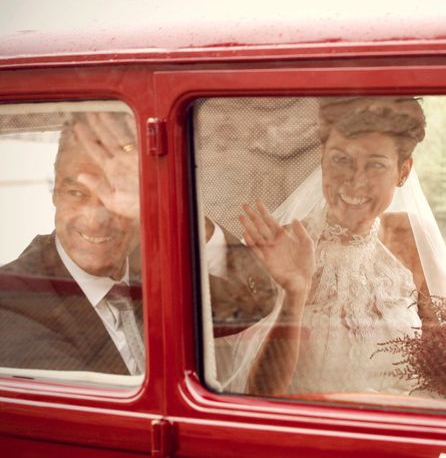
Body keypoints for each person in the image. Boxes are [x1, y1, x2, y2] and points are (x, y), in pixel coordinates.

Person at [0, 111, 276, 375]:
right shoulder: (13, 298)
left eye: (117, 193)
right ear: (55, 193)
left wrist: (172, 202)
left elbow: (252, 305)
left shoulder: (145, 264)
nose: (95, 220)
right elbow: (96, 415)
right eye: (77, 193)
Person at [237, 96, 446, 396]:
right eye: (341, 160)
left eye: (375, 164)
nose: (355, 181)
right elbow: (260, 395)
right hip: (314, 431)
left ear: (402, 172)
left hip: (403, 426)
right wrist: (295, 294)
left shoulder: (411, 238)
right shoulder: (281, 245)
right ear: (323, 158)